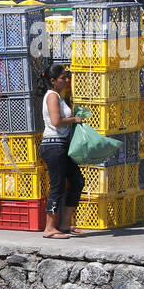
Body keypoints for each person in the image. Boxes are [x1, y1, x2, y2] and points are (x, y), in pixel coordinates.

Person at [39, 64, 86, 239]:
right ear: (53, 81)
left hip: (63, 146)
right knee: (57, 186)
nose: (66, 80)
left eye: (67, 77)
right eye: (63, 77)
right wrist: (74, 119)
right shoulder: (51, 96)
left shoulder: (59, 96)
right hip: (53, 146)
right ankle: (49, 228)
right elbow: (56, 121)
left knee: (77, 181)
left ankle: (65, 223)